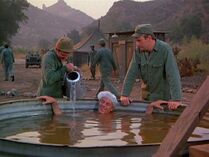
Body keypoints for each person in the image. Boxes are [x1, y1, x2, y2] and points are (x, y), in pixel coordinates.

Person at [120, 24, 182, 110]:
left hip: (162, 101)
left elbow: (173, 75)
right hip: (146, 99)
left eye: (139, 40)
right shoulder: (138, 51)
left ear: (148, 38)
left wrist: (176, 99)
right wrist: (124, 95)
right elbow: (131, 73)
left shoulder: (165, 50)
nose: (137, 44)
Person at [37, 91, 118, 115]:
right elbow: (62, 117)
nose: (103, 105)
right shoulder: (89, 114)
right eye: (102, 102)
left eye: (107, 104)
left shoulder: (114, 120)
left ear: (112, 109)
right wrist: (54, 102)